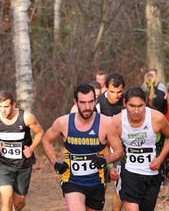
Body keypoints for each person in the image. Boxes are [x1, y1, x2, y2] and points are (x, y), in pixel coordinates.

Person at [41, 83, 123, 211]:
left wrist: (106, 161)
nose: (87, 107)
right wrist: (55, 162)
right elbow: (46, 140)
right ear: (75, 102)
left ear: (95, 101)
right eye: (83, 102)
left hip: (96, 183)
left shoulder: (106, 123)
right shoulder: (63, 122)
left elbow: (119, 151)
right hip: (72, 181)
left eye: (91, 102)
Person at [112, 87, 169, 211]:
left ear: (146, 102)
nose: (136, 111)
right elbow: (105, 143)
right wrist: (110, 167)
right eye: (132, 106)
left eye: (140, 106)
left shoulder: (156, 118)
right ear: (125, 103)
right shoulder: (117, 121)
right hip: (129, 172)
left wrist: (160, 159)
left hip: (152, 173)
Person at [0, 90, 44, 211]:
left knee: (19, 203)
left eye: (6, 106)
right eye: (0, 107)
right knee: (6, 198)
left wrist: (31, 148)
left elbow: (40, 132)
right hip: (3, 164)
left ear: (13, 105)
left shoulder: (26, 117)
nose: (3, 110)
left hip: (23, 165)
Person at [95, 72, 125, 211]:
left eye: (119, 92)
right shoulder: (99, 103)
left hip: (119, 146)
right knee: (101, 185)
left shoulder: (125, 102)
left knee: (120, 184)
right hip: (101, 147)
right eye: (112, 91)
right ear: (106, 88)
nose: (116, 95)